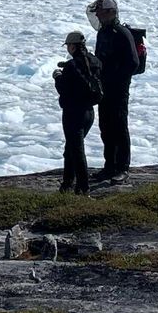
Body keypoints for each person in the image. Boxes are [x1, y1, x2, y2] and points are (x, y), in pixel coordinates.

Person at [89, 0, 141, 182]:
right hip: (104, 89)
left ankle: (122, 167)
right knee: (105, 127)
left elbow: (133, 62)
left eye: (102, 13)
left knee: (119, 126)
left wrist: (117, 79)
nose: (99, 16)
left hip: (118, 89)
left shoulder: (122, 33)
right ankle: (109, 166)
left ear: (111, 12)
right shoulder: (102, 33)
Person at [53, 29, 103, 194]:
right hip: (89, 112)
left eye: (68, 45)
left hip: (73, 113)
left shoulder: (72, 66)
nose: (67, 48)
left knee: (76, 149)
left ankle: (82, 187)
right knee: (72, 148)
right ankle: (67, 183)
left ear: (73, 46)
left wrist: (58, 77)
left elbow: (64, 89)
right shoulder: (95, 61)